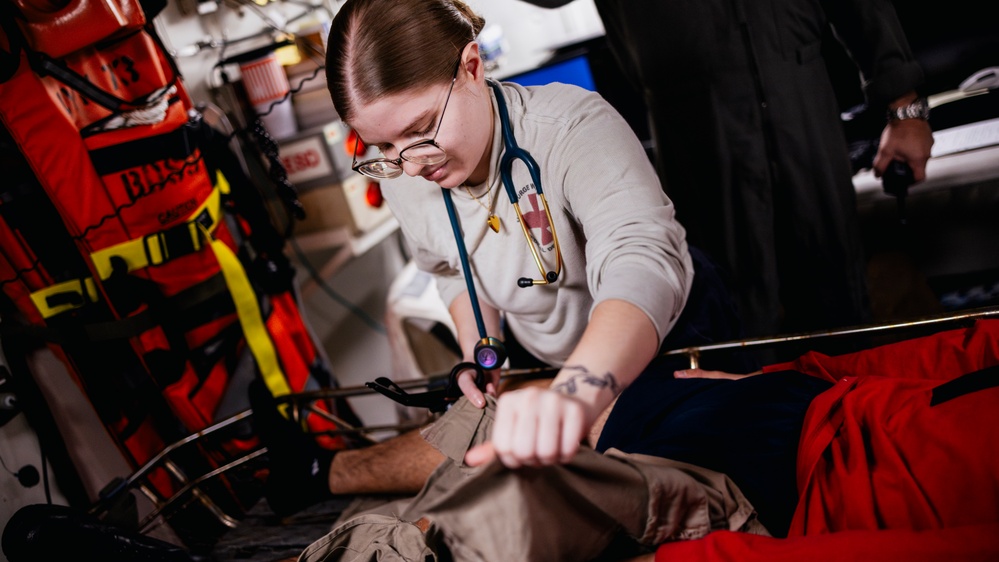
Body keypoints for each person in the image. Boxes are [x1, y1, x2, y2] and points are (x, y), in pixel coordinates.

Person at [255, 0, 760, 517]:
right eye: (382, 144)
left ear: (471, 67)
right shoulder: (403, 174)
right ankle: (320, 471)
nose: (408, 164)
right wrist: (482, 345)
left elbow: (642, 259)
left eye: (420, 129)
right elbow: (449, 268)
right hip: (547, 358)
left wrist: (573, 395)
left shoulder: (571, 125)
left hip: (666, 338)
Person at [521, 0, 935, 339]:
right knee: (734, 322)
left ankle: (854, 427)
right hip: (692, 130)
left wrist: (906, 107)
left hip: (802, 100)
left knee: (841, 310)